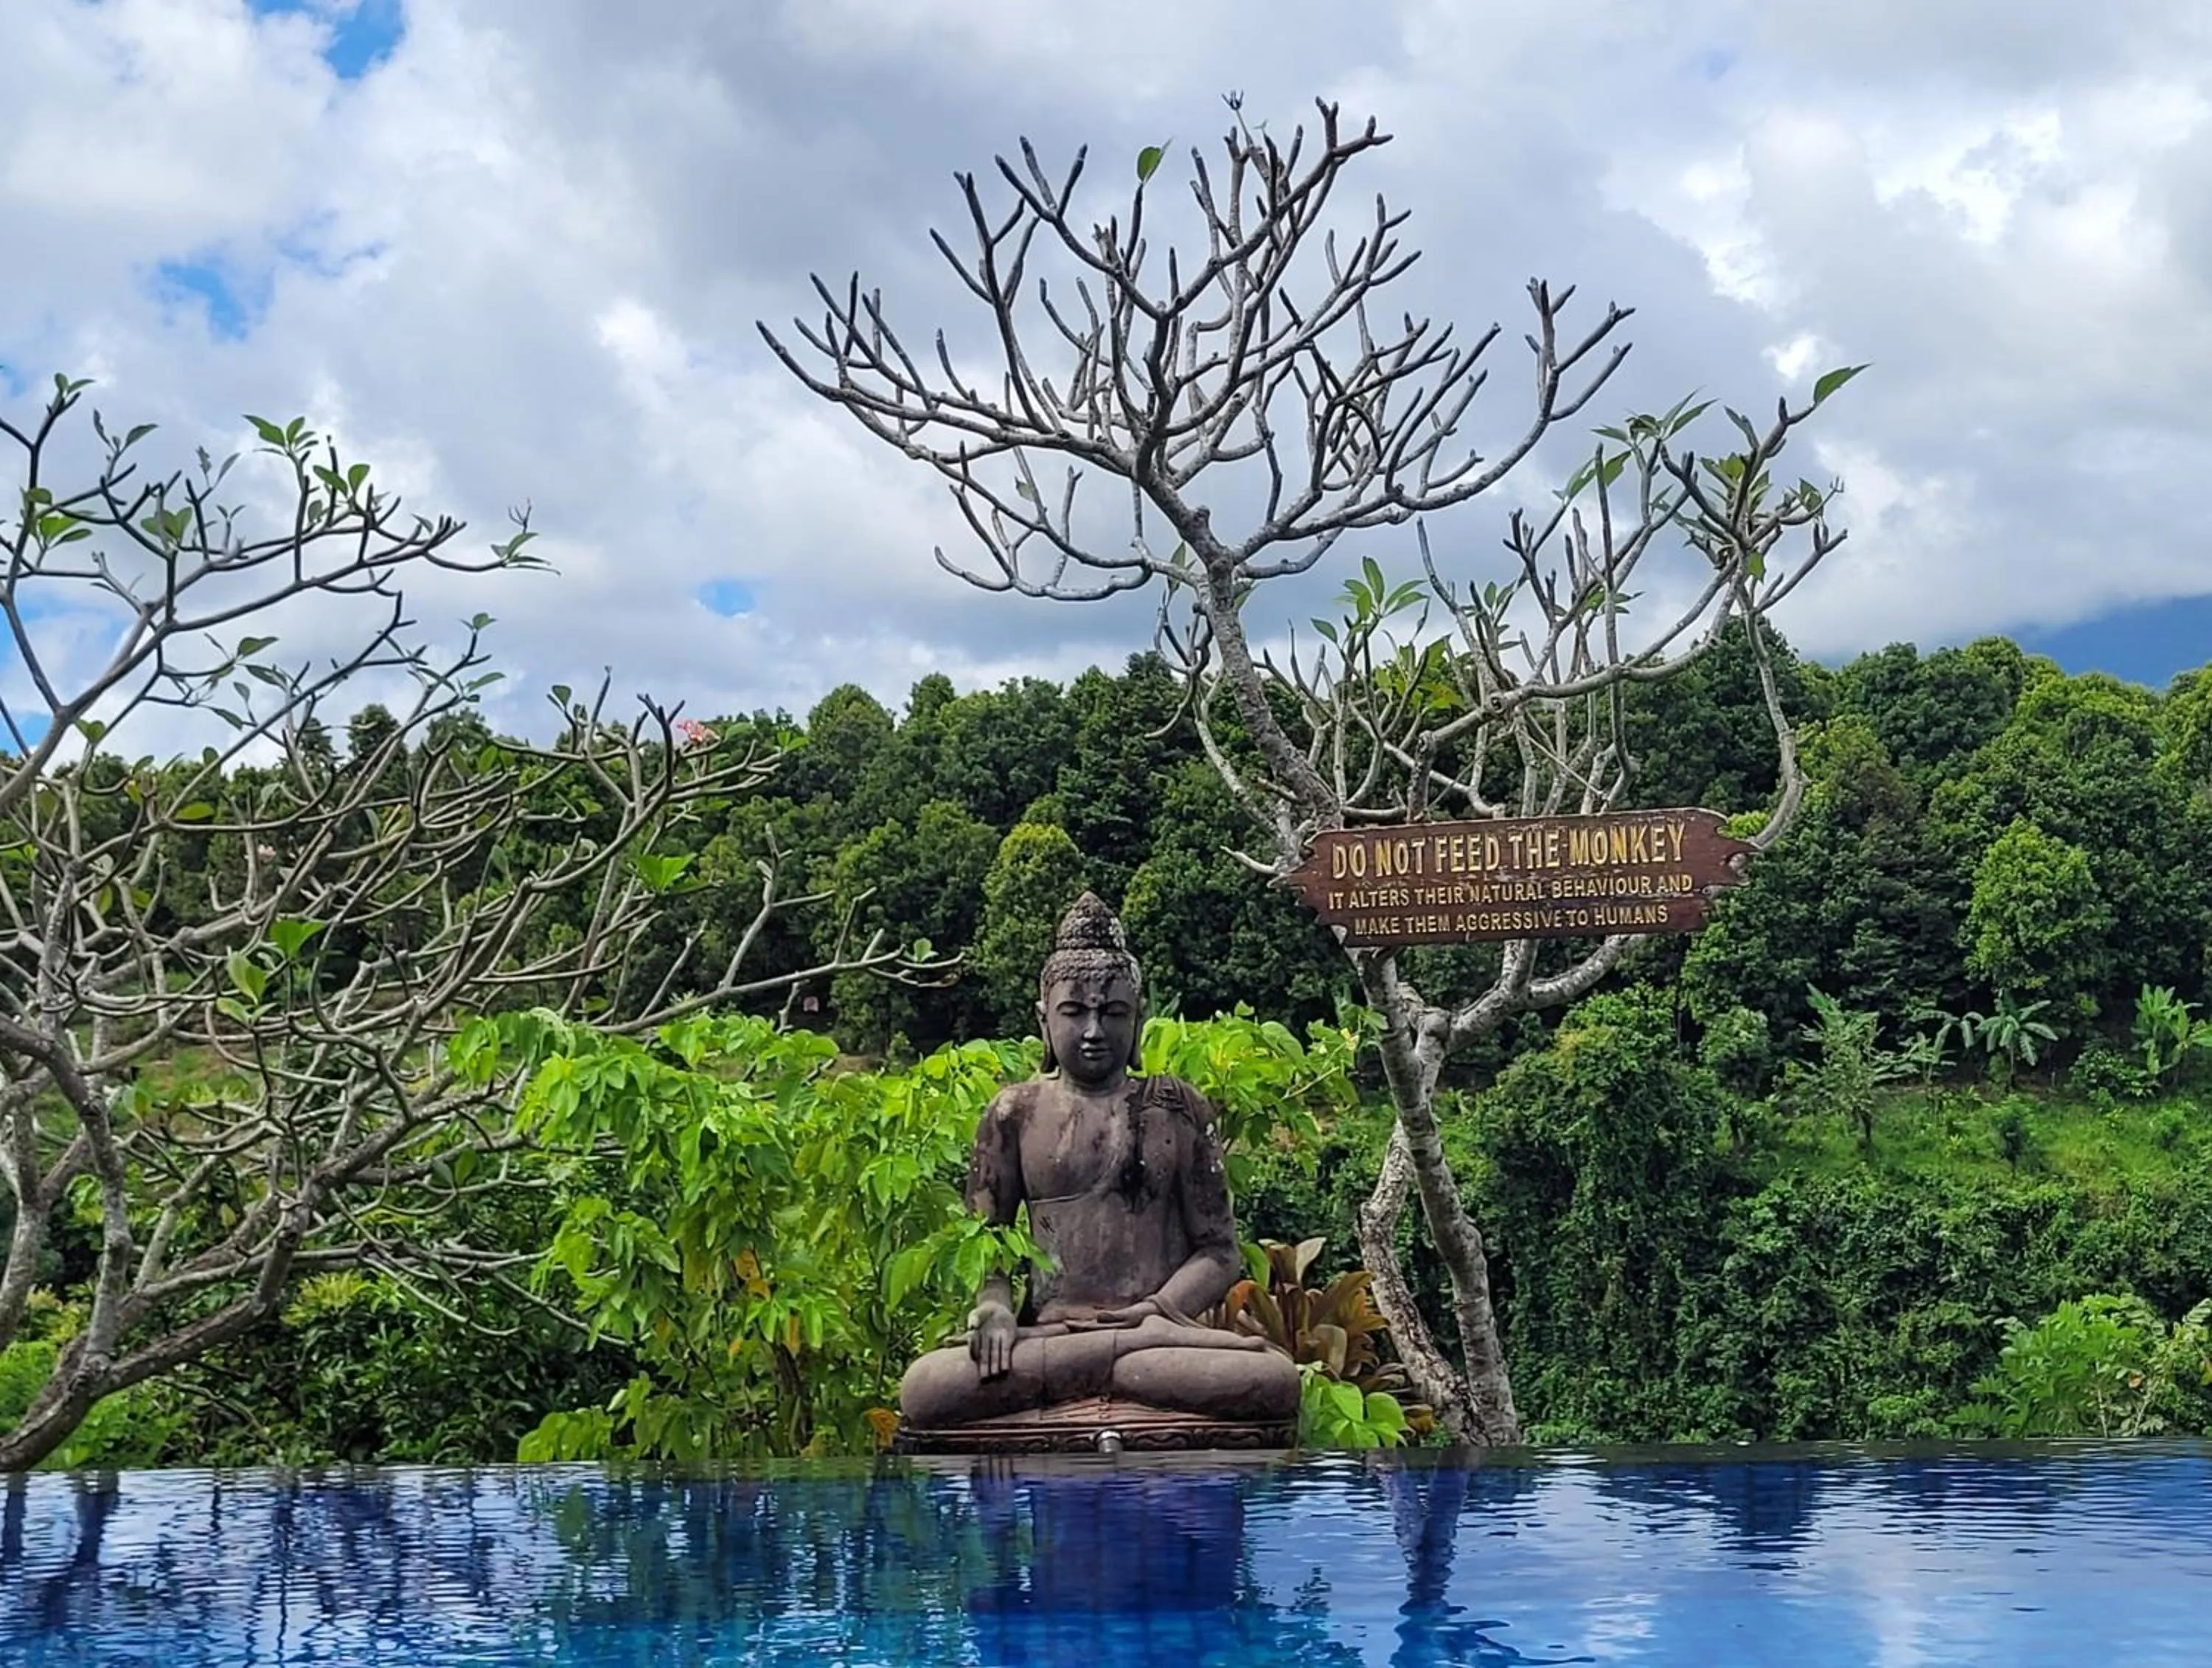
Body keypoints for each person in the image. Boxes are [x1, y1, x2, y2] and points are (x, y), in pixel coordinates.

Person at [898, 893, 1299, 1428]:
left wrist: (1157, 1313)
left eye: (1112, 1013)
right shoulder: (1014, 1112)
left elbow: (1220, 1253)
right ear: (1044, 1021)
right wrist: (994, 1308)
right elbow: (987, 1247)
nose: (1092, 1031)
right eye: (1074, 1013)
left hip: (1154, 1333)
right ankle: (1112, 1366)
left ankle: (1100, 1366)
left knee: (1274, 1380)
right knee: (925, 1388)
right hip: (1052, 1336)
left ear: (1138, 1019)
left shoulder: (1176, 1106)